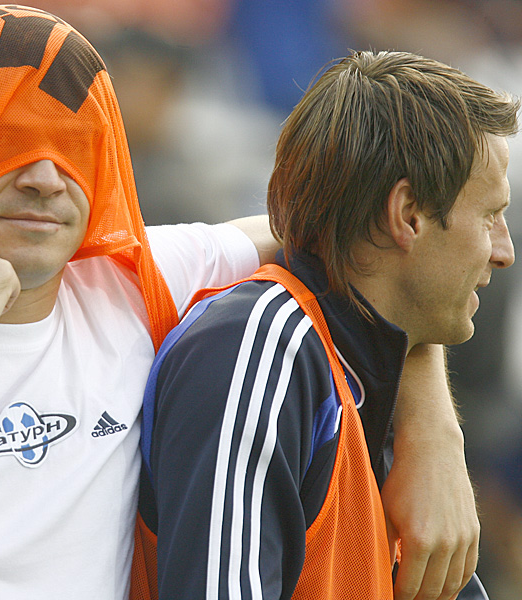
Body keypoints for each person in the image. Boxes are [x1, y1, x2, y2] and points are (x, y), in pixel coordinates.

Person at [0, 7, 481, 599]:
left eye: (72, 148)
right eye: (6, 144)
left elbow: (360, 247)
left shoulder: (124, 286)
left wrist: (429, 427)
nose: (45, 178)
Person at [142, 50, 518, 600]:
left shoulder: (369, 363)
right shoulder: (259, 349)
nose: (504, 252)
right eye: (490, 216)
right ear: (408, 215)